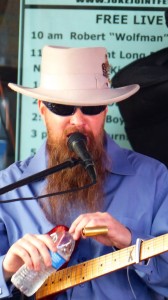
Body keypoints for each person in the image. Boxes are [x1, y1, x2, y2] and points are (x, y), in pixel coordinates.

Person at [0, 46, 168, 300]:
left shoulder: (153, 178)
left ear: (104, 112)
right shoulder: (9, 186)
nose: (78, 121)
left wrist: (129, 240)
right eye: (62, 107)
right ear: (42, 109)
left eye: (91, 108)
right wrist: (6, 268)